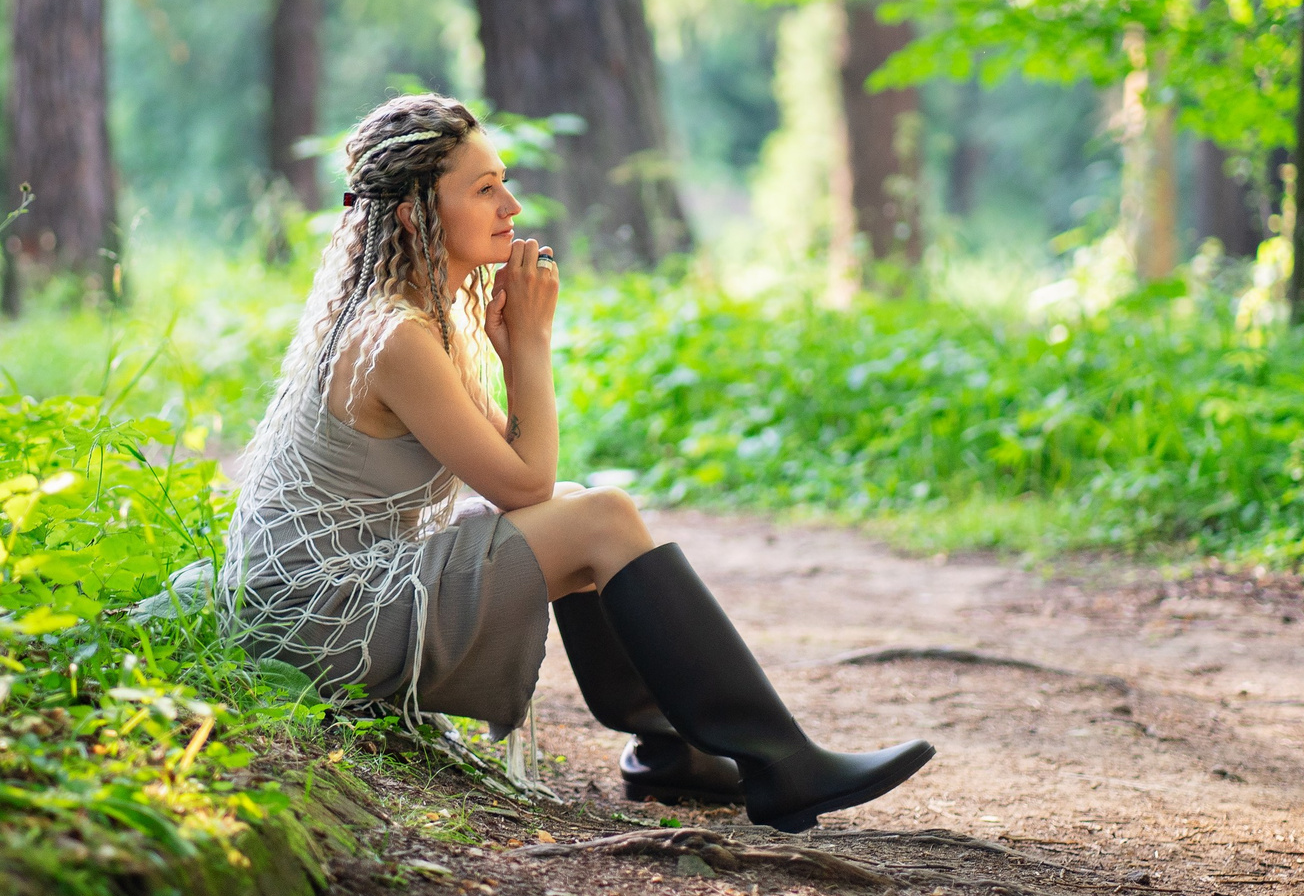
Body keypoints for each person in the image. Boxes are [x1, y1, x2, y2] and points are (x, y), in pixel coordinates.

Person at [214, 93, 932, 834]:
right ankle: (781, 763)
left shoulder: (410, 318)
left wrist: (506, 349)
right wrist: (528, 343)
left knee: (582, 504)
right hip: (320, 620)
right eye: (485, 188)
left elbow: (525, 481)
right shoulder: (396, 334)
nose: (512, 205)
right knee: (602, 516)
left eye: (504, 181)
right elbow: (523, 483)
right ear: (414, 212)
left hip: (332, 596)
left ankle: (673, 750)